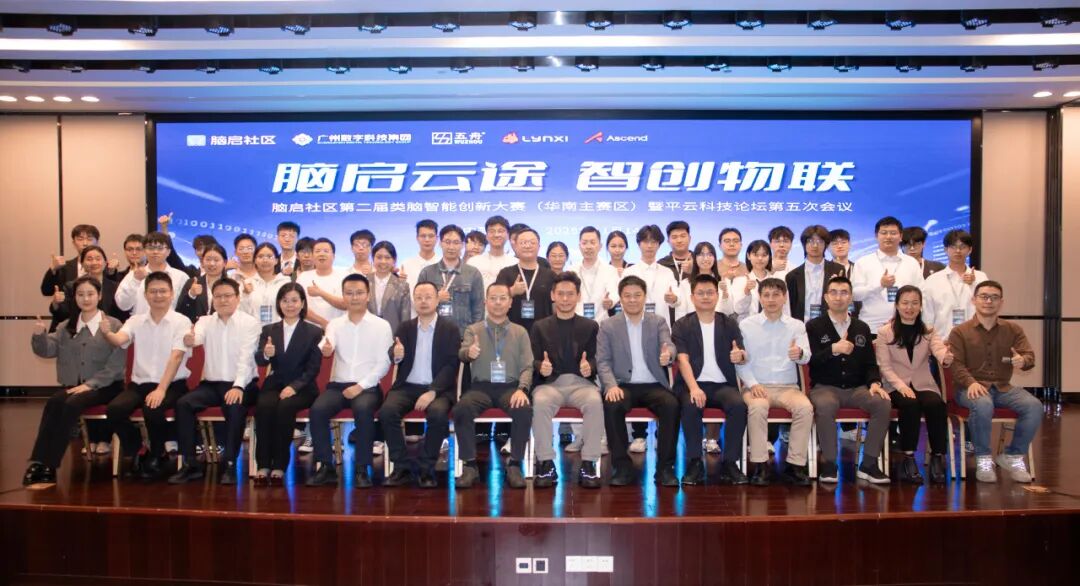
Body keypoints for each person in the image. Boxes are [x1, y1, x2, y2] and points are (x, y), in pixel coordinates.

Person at [25, 276, 126, 486]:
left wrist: (90, 384)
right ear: (74, 298)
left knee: (72, 403)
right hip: (76, 387)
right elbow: (47, 350)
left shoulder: (113, 325)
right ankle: (38, 461)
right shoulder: (66, 326)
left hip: (106, 386)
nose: (86, 299)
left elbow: (117, 364)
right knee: (54, 401)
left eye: (90, 294)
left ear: (99, 296)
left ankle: (50, 464)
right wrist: (39, 335)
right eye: (80, 295)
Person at [169, 278, 262, 485]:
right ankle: (190, 463)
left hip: (244, 383)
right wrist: (190, 339)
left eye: (228, 296)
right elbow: (196, 337)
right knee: (184, 403)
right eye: (218, 296)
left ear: (237, 298)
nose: (223, 300)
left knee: (234, 406)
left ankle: (229, 463)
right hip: (212, 384)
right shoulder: (205, 321)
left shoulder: (250, 323)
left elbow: (246, 358)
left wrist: (238, 386)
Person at [101, 271, 192, 480]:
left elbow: (176, 356)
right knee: (114, 410)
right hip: (139, 384)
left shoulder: (181, 321)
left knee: (153, 408)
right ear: (145, 294)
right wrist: (107, 333)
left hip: (172, 384)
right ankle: (139, 449)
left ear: (171, 294)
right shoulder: (135, 320)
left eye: (163, 291)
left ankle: (158, 454)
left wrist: (161, 389)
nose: (158, 295)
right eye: (153, 291)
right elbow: (119, 340)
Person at [948, 280, 1039, 483]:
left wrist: (1023, 360)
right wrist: (971, 382)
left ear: (1001, 302)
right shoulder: (960, 331)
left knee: (1034, 406)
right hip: (968, 388)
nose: (988, 301)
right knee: (983, 403)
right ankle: (983, 459)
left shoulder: (1013, 329)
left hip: (1003, 387)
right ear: (974, 300)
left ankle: (1013, 456)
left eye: (994, 297)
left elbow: (1029, 356)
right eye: (984, 296)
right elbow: (955, 365)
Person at [306, 274, 393, 488]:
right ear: (343, 296)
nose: (354, 297)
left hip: (368, 387)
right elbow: (327, 345)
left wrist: (360, 386)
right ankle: (326, 467)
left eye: (359, 293)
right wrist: (326, 349)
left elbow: (384, 363)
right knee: (317, 410)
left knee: (363, 410)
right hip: (338, 386)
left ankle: (362, 469)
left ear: (368, 295)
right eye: (349, 293)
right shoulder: (335, 324)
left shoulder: (381, 326)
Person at [806, 276, 891, 484]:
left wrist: (874, 383)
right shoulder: (813, 326)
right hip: (825, 387)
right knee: (825, 406)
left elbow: (870, 363)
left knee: (882, 403)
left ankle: (869, 464)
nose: (838, 297)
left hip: (857, 389)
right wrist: (833, 349)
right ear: (826, 297)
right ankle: (830, 463)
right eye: (833, 292)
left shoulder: (861, 327)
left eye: (844, 292)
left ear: (851, 297)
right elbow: (810, 360)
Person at [598, 275, 679, 487]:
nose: (632, 300)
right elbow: (603, 361)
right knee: (612, 404)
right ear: (620, 298)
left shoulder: (658, 322)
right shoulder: (608, 325)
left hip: (653, 384)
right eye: (627, 296)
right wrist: (611, 385)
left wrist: (668, 355)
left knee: (671, 404)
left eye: (637, 295)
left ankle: (665, 469)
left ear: (645, 297)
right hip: (622, 384)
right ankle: (622, 468)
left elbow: (669, 345)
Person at [381, 281, 461, 488]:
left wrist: (433, 391)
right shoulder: (405, 327)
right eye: (419, 297)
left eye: (428, 297)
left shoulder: (450, 329)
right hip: (407, 386)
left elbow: (451, 365)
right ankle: (402, 467)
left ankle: (427, 468)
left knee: (438, 414)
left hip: (438, 388)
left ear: (437, 300)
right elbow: (394, 354)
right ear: (414, 301)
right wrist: (396, 354)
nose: (423, 301)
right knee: (387, 412)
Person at [455, 283, 534, 489]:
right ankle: (470, 466)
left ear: (510, 303)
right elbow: (462, 352)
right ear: (485, 302)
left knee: (523, 409)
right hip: (480, 388)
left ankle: (515, 465)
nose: (497, 303)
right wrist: (469, 353)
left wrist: (522, 389)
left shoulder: (520, 332)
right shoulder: (473, 330)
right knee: (462, 408)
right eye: (493, 298)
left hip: (510, 388)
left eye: (502, 298)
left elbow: (527, 366)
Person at [735, 278, 813, 486]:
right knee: (758, 408)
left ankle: (795, 465)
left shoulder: (796, 326)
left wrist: (799, 353)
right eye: (766, 295)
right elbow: (740, 361)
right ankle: (760, 465)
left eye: (776, 295)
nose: (771, 300)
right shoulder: (746, 325)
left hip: (788, 387)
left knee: (805, 408)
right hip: (756, 386)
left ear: (784, 297)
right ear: (760, 298)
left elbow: (806, 357)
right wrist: (753, 384)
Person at [529, 272, 603, 489]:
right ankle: (546, 463)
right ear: (553, 295)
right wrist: (540, 367)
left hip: (581, 384)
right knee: (540, 403)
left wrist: (590, 367)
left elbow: (597, 358)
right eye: (560, 293)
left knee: (595, 402)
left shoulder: (590, 326)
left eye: (570, 294)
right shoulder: (539, 326)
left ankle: (588, 464)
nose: (565, 299)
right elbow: (532, 359)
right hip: (550, 384)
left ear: (578, 296)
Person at [674, 274, 749, 486]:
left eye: (710, 292)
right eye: (700, 293)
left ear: (717, 295)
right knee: (691, 405)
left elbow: (742, 353)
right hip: (693, 384)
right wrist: (694, 388)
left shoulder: (729, 323)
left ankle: (730, 463)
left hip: (723, 385)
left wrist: (740, 356)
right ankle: (695, 462)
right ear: (692, 297)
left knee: (738, 405)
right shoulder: (682, 325)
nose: (705, 297)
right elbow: (682, 360)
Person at [875, 285, 953, 484]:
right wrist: (901, 386)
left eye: (914, 303)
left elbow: (938, 349)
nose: (909, 308)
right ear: (897, 305)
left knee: (936, 404)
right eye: (905, 303)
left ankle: (937, 456)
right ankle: (908, 457)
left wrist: (945, 357)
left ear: (920, 306)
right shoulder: (885, 332)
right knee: (910, 404)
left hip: (923, 383)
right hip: (894, 384)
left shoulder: (928, 330)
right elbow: (884, 366)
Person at [252, 283, 324, 484]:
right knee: (264, 406)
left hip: (303, 387)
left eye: (294, 300)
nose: (290, 305)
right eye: (285, 301)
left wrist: (294, 387)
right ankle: (263, 464)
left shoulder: (314, 332)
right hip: (275, 383)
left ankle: (279, 465)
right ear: (279, 303)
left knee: (285, 407)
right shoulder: (269, 330)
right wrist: (266, 354)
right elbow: (260, 360)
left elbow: (313, 368)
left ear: (302, 303)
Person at [852, 217, 924, 334]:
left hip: (906, 325)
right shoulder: (863, 262)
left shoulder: (911, 263)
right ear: (876, 236)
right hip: (872, 326)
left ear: (901, 236)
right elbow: (855, 295)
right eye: (884, 233)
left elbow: (922, 293)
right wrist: (879, 285)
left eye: (893, 233)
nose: (888, 236)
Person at [921, 229, 988, 339]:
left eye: (962, 247)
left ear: (970, 250)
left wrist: (974, 284)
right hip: (942, 341)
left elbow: (987, 306)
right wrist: (934, 344)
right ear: (945, 250)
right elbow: (927, 317)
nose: (958, 251)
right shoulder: (933, 280)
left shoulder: (980, 277)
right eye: (953, 247)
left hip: (975, 341)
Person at [418, 225, 485, 333]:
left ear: (462, 245)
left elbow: (478, 310)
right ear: (440, 243)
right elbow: (419, 305)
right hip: (432, 334)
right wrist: (435, 299)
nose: (451, 247)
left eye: (456, 242)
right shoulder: (427, 273)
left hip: (463, 335)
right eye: (447, 242)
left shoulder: (473, 273)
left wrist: (473, 336)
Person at [48, 245, 127, 331]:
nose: (94, 262)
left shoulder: (116, 287)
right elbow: (62, 315)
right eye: (89, 259)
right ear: (82, 264)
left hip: (109, 332)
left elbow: (122, 314)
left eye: (98, 259)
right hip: (80, 332)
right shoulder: (72, 286)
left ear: (105, 262)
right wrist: (56, 303)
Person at [496, 227, 556, 333]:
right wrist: (512, 291)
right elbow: (496, 300)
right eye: (523, 242)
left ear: (539, 246)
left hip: (544, 333)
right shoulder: (505, 273)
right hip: (511, 332)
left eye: (532, 242)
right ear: (515, 246)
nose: (527, 246)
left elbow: (556, 305)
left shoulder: (550, 275)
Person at [115, 232, 189, 315]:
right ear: (144, 251)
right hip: (141, 322)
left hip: (173, 323)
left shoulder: (181, 277)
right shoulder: (133, 275)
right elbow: (122, 305)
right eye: (150, 248)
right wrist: (136, 281)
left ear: (168, 252)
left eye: (160, 248)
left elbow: (187, 307)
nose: (155, 252)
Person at [623, 225, 680, 328]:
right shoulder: (628, 272)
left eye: (653, 242)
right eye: (645, 242)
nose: (649, 246)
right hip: (634, 326)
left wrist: (673, 298)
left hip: (662, 327)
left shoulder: (667, 272)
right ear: (639, 244)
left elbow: (677, 299)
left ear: (659, 245)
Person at [786, 225, 845, 323]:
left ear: (826, 244)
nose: (815, 245)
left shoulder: (838, 270)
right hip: (801, 326)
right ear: (804, 244)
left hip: (830, 325)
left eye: (820, 241)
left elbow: (846, 299)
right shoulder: (792, 276)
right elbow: (791, 307)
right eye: (810, 241)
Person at [294, 238, 347, 327]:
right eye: (317, 251)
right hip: (309, 330)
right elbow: (298, 306)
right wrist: (324, 323)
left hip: (339, 329)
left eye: (326, 251)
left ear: (333, 256)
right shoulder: (303, 277)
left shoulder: (344, 276)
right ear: (313, 256)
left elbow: (346, 304)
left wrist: (320, 293)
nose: (321, 254)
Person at [571, 226, 619, 324]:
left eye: (592, 242)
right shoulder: (572, 271)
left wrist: (610, 301)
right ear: (579, 246)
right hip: (576, 324)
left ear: (600, 246)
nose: (588, 247)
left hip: (602, 324)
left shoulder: (610, 270)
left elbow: (614, 292)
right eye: (584, 243)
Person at [675, 241, 730, 322]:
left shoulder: (724, 282)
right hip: (692, 327)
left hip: (719, 326)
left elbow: (729, 311)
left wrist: (725, 292)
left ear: (714, 258)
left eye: (710, 255)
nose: (706, 258)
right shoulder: (686, 284)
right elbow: (680, 313)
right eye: (701, 254)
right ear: (695, 258)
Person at [40, 224, 99, 297]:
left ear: (97, 242)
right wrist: (53, 269)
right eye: (80, 239)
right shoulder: (64, 267)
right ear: (73, 243)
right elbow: (46, 291)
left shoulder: (106, 268)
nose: (85, 243)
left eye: (89, 239)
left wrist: (111, 272)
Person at [239, 242, 290, 325]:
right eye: (260, 256)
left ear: (276, 261)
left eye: (269, 256)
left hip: (280, 329)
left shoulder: (286, 282)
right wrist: (245, 295)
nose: (265, 260)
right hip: (253, 330)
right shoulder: (247, 283)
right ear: (255, 260)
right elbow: (241, 313)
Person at [368, 241, 412, 334]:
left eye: (387, 258)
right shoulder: (364, 282)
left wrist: (402, 338)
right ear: (373, 259)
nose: (383, 261)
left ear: (394, 260)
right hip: (367, 333)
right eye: (379, 257)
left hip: (392, 334)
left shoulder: (402, 285)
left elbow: (405, 317)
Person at [733, 240, 783, 322]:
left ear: (769, 257)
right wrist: (747, 291)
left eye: (764, 255)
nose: (760, 258)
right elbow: (738, 309)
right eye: (756, 255)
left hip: (772, 325)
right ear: (748, 256)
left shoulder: (777, 281)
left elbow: (783, 307)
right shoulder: (740, 281)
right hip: (747, 326)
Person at [176, 243, 227, 322]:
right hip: (195, 328)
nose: (212, 263)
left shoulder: (231, 285)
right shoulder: (193, 282)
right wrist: (191, 295)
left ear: (225, 263)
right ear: (202, 262)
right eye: (208, 259)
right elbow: (179, 312)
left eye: (216, 260)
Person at [468, 215, 517, 290]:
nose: (496, 235)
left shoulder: (515, 263)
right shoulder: (473, 262)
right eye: (492, 231)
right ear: (486, 236)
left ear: (508, 235)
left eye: (500, 231)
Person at [827, 228, 861, 319]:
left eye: (843, 242)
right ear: (827, 247)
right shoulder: (824, 270)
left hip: (857, 317)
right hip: (830, 318)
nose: (840, 246)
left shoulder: (859, 268)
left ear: (850, 245)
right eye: (835, 243)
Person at [399, 219, 440, 292]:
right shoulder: (406, 265)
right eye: (423, 236)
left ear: (437, 238)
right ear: (417, 238)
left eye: (431, 236)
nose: (427, 240)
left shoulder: (443, 263)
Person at [658, 220, 693, 285]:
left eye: (683, 236)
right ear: (668, 241)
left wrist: (693, 271)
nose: (679, 240)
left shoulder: (699, 261)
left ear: (689, 238)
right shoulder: (661, 265)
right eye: (674, 237)